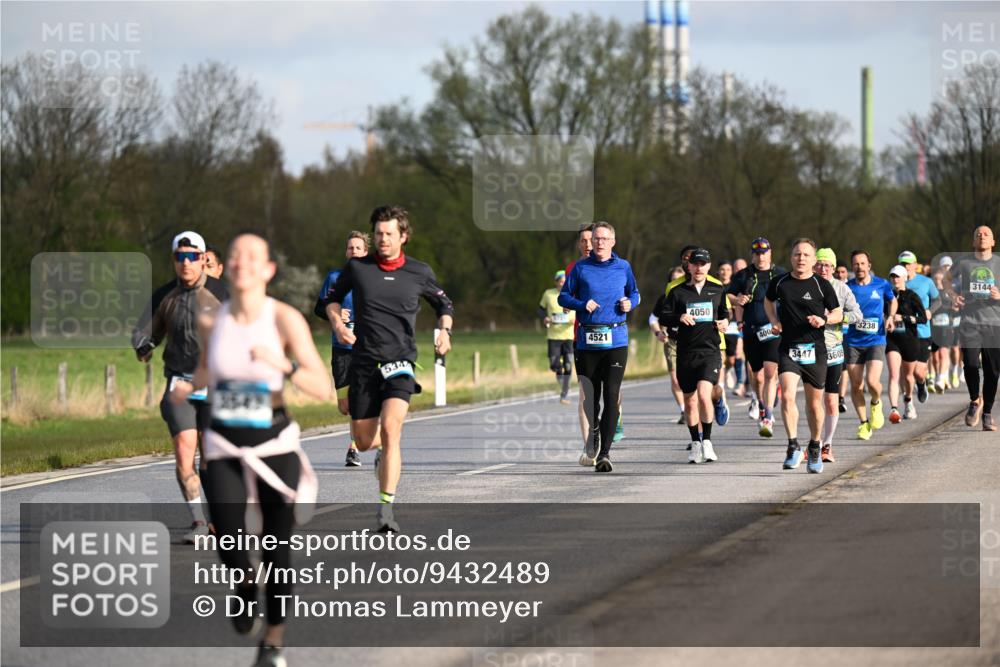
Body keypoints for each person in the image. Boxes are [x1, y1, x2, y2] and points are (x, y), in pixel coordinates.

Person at [172, 232, 329, 667]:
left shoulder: (284, 320)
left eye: (251, 256)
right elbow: (207, 370)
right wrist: (190, 387)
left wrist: (285, 365)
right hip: (223, 440)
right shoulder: (211, 321)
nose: (241, 261)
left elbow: (321, 385)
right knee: (230, 536)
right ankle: (244, 585)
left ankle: (273, 642)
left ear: (267, 270)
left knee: (277, 549)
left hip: (274, 441)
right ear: (222, 265)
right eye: (234, 255)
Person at [325, 206, 454, 530]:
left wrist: (445, 332)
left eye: (389, 234)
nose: (383, 239)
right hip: (364, 363)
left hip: (400, 362)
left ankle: (386, 510)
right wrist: (338, 326)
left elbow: (444, 304)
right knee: (365, 441)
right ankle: (381, 458)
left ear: (403, 236)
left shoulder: (418, 272)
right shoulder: (357, 268)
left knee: (392, 429)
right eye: (379, 234)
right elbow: (332, 300)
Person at [131, 231, 228, 543]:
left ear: (202, 259)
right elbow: (144, 331)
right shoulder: (164, 296)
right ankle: (199, 521)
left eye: (192, 257)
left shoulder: (223, 294)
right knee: (184, 455)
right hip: (180, 384)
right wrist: (144, 345)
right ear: (174, 261)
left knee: (212, 459)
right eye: (180, 257)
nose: (186, 263)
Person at [559, 221, 640, 473]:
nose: (600, 242)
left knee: (612, 395)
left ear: (613, 242)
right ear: (591, 242)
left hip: (616, 339)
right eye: (596, 239)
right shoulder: (580, 268)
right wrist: (582, 305)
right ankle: (593, 436)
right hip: (587, 340)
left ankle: (604, 453)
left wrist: (630, 304)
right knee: (591, 398)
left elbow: (635, 293)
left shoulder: (623, 266)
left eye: (605, 238)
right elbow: (563, 296)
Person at [764, 239, 842, 473]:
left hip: (816, 350)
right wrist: (774, 321)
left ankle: (815, 445)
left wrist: (824, 320)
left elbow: (838, 312)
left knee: (813, 403)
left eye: (806, 255)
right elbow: (768, 301)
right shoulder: (780, 283)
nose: (801, 258)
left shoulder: (821, 285)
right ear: (791, 257)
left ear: (814, 260)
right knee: (787, 396)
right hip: (789, 347)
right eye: (797, 254)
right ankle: (793, 445)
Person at [658, 248, 731, 463]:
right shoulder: (678, 292)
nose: (698, 268)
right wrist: (679, 316)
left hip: (709, 350)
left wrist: (725, 322)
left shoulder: (717, 289)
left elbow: (725, 313)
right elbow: (664, 315)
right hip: (685, 352)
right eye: (695, 264)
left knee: (703, 394)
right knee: (689, 402)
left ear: (709, 266)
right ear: (688, 266)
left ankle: (707, 441)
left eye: (703, 264)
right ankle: (696, 444)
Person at [315, 231, 371, 467]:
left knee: (359, 399)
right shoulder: (335, 278)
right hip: (341, 349)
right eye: (350, 248)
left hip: (367, 349)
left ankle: (354, 448)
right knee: (345, 406)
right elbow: (319, 308)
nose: (354, 252)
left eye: (358, 248)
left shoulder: (373, 278)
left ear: (366, 252)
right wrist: (336, 316)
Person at [729, 237, 785, 437]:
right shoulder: (744, 275)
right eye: (757, 253)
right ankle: (760, 402)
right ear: (752, 255)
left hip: (772, 330)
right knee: (757, 375)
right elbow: (728, 295)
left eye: (764, 253)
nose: (760, 256)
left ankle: (768, 416)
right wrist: (738, 299)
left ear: (770, 253)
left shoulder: (780, 274)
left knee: (770, 373)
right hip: (751, 331)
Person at [947, 225, 1000, 431]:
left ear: (993, 242)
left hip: (994, 324)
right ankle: (974, 400)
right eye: (978, 234)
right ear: (973, 242)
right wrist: (953, 296)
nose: (982, 236)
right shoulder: (964, 262)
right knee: (969, 364)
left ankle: (987, 413)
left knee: (992, 372)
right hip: (970, 322)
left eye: (986, 234)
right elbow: (946, 280)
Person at [815, 248, 862, 463]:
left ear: (833, 268)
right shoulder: (807, 285)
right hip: (810, 349)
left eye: (827, 265)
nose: (823, 269)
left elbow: (857, 315)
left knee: (831, 401)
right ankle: (814, 442)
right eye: (820, 264)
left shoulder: (842, 289)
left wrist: (836, 317)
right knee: (813, 402)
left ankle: (827, 444)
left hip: (833, 349)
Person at [845, 250, 897, 440]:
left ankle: (876, 403)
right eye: (856, 264)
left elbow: (893, 301)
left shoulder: (882, 284)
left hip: (876, 339)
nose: (859, 267)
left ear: (869, 265)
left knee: (872, 382)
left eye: (862, 263)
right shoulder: (847, 287)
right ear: (852, 267)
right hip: (853, 341)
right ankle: (864, 424)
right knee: (856, 385)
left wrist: (890, 317)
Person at [886, 265, 929, 423]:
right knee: (894, 374)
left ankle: (909, 400)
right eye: (892, 276)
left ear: (905, 278)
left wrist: (904, 318)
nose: (895, 279)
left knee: (909, 376)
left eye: (898, 276)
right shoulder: (887, 295)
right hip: (893, 340)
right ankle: (894, 409)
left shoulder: (912, 296)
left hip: (910, 340)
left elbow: (923, 318)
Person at [897, 251, 940, 403]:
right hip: (903, 332)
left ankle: (921, 384)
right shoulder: (896, 282)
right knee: (904, 371)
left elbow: (937, 300)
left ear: (915, 265)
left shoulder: (926, 282)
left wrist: (930, 311)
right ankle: (907, 403)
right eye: (902, 264)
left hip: (922, 331)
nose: (906, 267)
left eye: (908, 264)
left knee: (918, 372)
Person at [649, 266, 688, 424]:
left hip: (692, 342)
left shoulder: (692, 295)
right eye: (673, 280)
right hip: (672, 342)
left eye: (679, 280)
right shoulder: (664, 298)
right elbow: (653, 319)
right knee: (676, 380)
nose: (675, 284)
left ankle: (695, 406)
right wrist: (658, 333)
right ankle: (684, 410)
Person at [539, 269, 576, 404]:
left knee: (568, 364)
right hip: (553, 336)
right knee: (554, 364)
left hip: (568, 336)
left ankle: (565, 393)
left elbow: (581, 307)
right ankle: (562, 380)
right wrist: (545, 319)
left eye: (564, 282)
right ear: (556, 282)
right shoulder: (548, 294)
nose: (562, 284)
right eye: (560, 281)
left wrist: (575, 320)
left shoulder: (573, 294)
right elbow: (541, 309)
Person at [717, 260, 747, 397]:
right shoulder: (714, 286)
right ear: (718, 271)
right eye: (722, 269)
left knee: (735, 355)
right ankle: (728, 372)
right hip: (720, 324)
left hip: (735, 323)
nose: (725, 272)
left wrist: (735, 304)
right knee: (726, 358)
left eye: (728, 269)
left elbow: (740, 302)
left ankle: (739, 380)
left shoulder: (735, 285)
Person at [929, 268, 956, 393]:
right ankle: (938, 375)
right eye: (936, 279)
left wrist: (955, 307)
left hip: (946, 327)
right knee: (935, 357)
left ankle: (941, 378)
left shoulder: (949, 292)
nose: (938, 282)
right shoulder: (930, 294)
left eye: (940, 280)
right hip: (933, 327)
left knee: (944, 353)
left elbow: (957, 308)